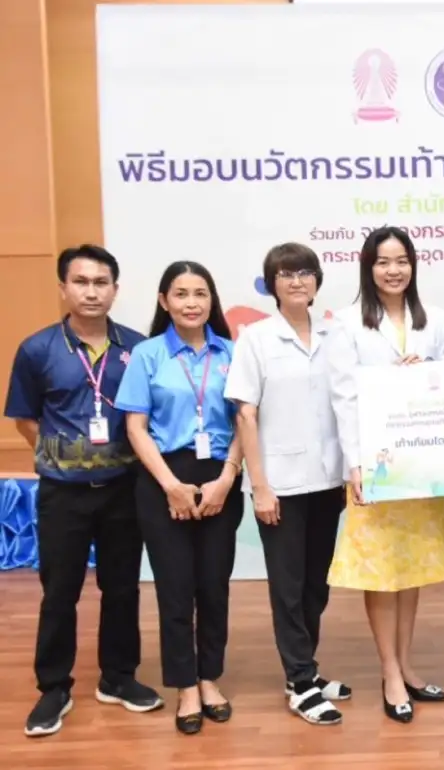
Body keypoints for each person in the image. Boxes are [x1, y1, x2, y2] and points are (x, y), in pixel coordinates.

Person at [3, 245, 164, 737]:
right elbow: (26, 419)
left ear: (115, 289)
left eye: (100, 282)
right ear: (63, 288)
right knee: (60, 592)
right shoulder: (37, 349)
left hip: (123, 489)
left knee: (122, 588)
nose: (91, 292)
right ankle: (54, 687)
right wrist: (63, 459)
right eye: (81, 282)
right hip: (63, 494)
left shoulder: (138, 348)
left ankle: (118, 677)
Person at [327, 226, 444, 724]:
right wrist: (355, 465)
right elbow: (344, 398)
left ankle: (407, 666)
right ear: (368, 267)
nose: (394, 270)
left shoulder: (436, 319)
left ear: (413, 265)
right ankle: (388, 671)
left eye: (402, 260)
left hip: (422, 463)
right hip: (376, 465)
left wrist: (435, 368)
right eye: (383, 261)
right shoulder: (346, 323)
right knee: (381, 572)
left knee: (411, 568)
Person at [225, 243, 352, 725]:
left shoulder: (337, 334)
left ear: (317, 281)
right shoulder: (256, 339)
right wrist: (259, 485)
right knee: (288, 586)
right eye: (285, 274)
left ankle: (306, 669)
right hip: (279, 484)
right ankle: (300, 682)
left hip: (328, 479)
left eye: (305, 272)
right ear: (272, 284)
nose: (296, 281)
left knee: (316, 584)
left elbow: (354, 398)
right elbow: (245, 414)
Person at [115, 261, 244, 735]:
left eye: (200, 293)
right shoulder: (147, 354)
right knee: (175, 589)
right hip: (163, 477)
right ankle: (185, 686)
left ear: (212, 299)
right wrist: (171, 485)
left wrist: (228, 477)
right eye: (181, 293)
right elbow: (135, 428)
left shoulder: (232, 352)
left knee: (213, 586)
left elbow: (246, 422)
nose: (192, 303)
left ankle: (209, 679)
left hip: (220, 478)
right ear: (164, 301)